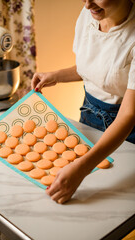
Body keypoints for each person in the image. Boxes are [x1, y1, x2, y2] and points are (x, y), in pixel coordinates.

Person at [31, 0, 135, 204]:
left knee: (116, 202)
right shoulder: (90, 14)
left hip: (126, 130)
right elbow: (93, 67)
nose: (87, 4)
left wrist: (82, 167)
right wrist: (56, 75)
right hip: (89, 113)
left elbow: (128, 114)